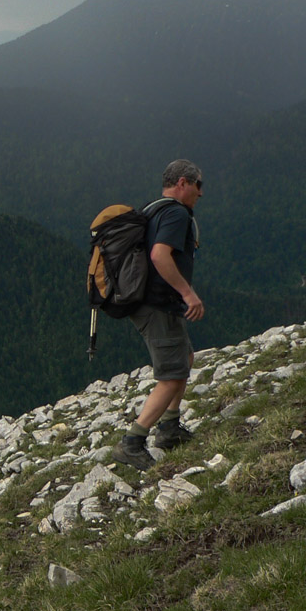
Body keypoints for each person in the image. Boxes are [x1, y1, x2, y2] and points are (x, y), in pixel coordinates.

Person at [112, 159, 204, 471]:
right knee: (172, 376)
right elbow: (159, 255)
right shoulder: (176, 213)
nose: (200, 193)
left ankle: (170, 427)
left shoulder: (152, 209)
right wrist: (188, 293)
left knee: (184, 358)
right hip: (157, 305)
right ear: (183, 183)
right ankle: (132, 443)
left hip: (152, 302)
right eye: (198, 185)